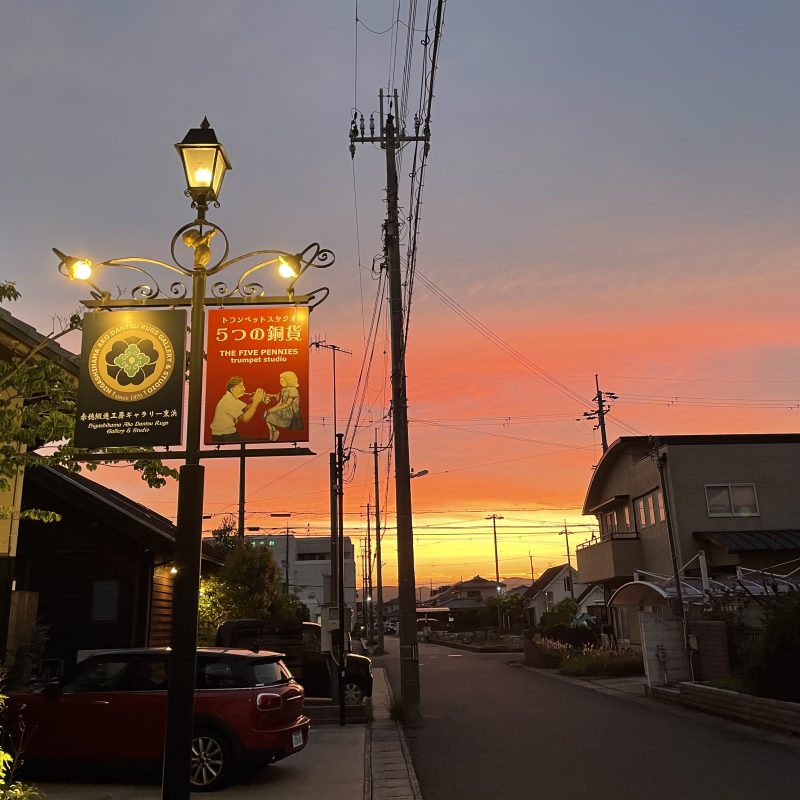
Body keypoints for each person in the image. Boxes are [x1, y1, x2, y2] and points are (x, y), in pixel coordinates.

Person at [209, 377, 264, 443]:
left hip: (229, 435)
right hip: (223, 437)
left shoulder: (232, 398)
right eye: (241, 387)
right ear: (232, 389)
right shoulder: (227, 401)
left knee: (260, 441)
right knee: (258, 443)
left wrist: (258, 400)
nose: (244, 389)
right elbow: (246, 418)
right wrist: (255, 402)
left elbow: (246, 409)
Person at [263, 371, 302, 441]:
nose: (280, 381)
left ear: (288, 380)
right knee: (267, 413)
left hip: (290, 413)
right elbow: (280, 402)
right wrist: (272, 409)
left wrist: (273, 410)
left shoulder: (293, 390)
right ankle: (273, 432)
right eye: (280, 379)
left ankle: (274, 432)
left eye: (282, 379)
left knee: (270, 415)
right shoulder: (283, 390)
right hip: (283, 410)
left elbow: (287, 404)